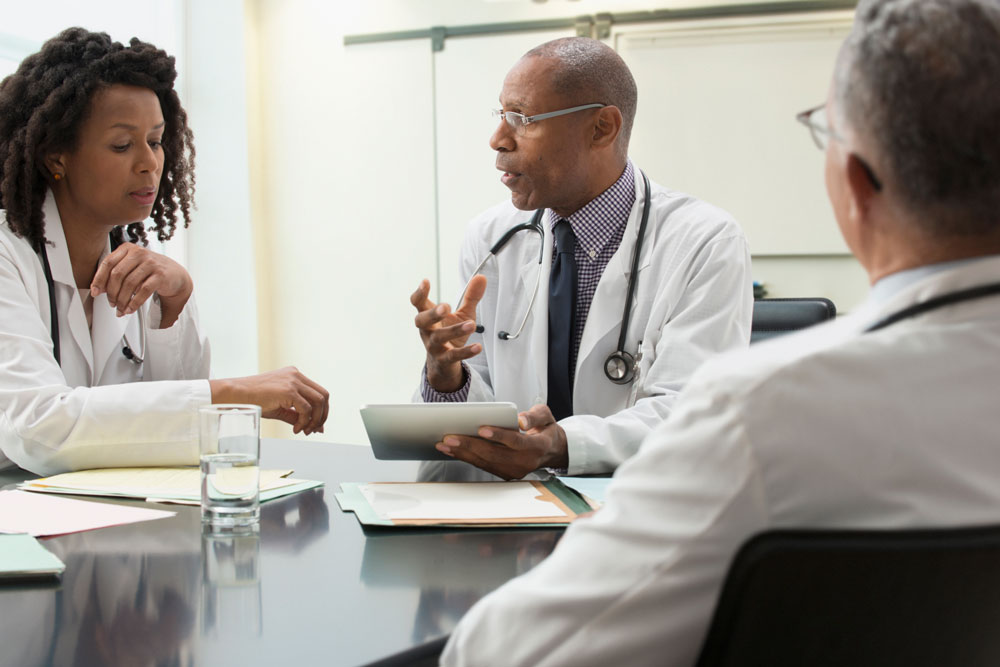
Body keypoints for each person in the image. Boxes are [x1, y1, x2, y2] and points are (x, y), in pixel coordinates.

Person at [441, 0, 1000, 663]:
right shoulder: (494, 235)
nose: (500, 139)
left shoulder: (757, 415)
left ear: (855, 181)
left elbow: (503, 652)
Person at [410, 37, 752, 480]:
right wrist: (446, 377)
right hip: (509, 523)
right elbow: (482, 410)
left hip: (636, 515)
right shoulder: (490, 238)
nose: (497, 140)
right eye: (501, 115)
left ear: (601, 129)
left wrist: (561, 445)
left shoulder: (704, 241)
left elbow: (693, 413)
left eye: (522, 118)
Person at [0, 28, 329, 476]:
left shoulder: (138, 263)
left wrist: (176, 302)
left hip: (101, 517)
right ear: (56, 157)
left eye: (155, 141)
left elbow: (172, 432)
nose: (149, 162)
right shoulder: (8, 254)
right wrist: (237, 393)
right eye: (122, 144)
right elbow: (41, 430)